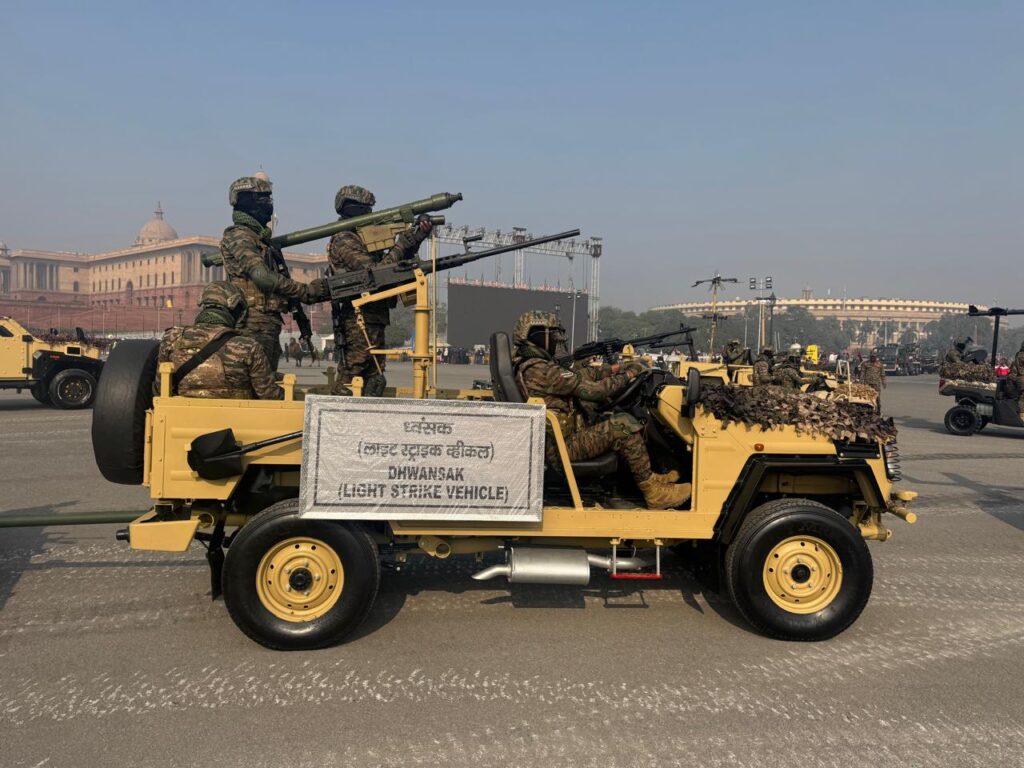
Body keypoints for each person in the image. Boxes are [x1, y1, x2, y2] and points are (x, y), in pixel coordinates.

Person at [512, 311, 691, 510]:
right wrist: (630, 373)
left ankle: (648, 477)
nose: (555, 341)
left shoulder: (533, 366)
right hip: (562, 448)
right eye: (551, 335)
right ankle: (654, 493)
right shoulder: (541, 370)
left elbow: (581, 374)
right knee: (624, 425)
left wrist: (617, 368)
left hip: (557, 441)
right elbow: (595, 391)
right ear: (536, 336)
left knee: (610, 416)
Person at [326, 185, 434, 396]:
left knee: (375, 379)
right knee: (352, 378)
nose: (369, 214)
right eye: (364, 209)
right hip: (356, 320)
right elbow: (377, 274)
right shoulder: (345, 239)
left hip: (373, 318)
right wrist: (402, 244)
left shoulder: (366, 239)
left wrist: (416, 237)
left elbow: (395, 264)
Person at [218, 176, 328, 371]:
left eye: (269, 199)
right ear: (247, 202)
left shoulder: (260, 239)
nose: (268, 204)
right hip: (252, 323)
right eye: (262, 199)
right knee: (258, 384)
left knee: (266, 378)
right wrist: (305, 291)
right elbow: (263, 277)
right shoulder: (239, 235)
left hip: (266, 322)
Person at [158, 281, 282, 400]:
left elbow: (160, 387)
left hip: (179, 417)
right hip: (237, 419)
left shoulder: (172, 338)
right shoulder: (247, 346)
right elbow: (270, 395)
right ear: (235, 310)